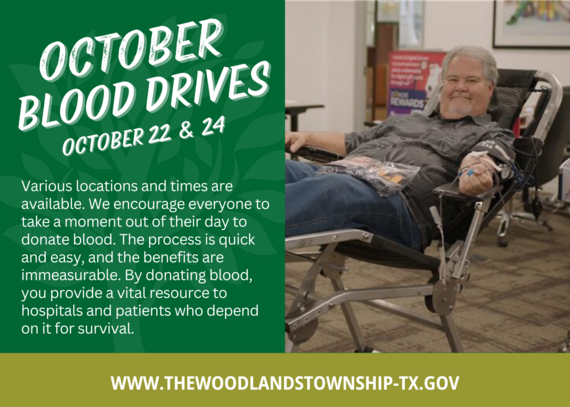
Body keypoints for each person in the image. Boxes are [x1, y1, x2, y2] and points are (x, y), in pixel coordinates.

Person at [285, 45, 515, 251]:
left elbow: (481, 158)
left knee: (337, 187)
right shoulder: (407, 120)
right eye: (453, 79)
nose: (460, 87)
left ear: (490, 88)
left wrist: (474, 173)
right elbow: (353, 141)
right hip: (345, 174)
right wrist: (305, 135)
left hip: (400, 206)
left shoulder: (491, 133)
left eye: (472, 80)